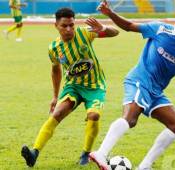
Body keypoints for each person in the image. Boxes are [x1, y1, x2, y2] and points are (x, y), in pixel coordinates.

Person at [88, 1, 175, 170]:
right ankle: (101, 153)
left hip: (156, 91)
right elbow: (129, 26)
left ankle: (145, 166)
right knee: (130, 119)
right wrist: (110, 13)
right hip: (139, 80)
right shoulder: (160, 29)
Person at [20, 7, 119, 167]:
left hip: (95, 86)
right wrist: (55, 96)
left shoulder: (85, 33)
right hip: (73, 87)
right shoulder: (54, 48)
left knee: (93, 116)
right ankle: (34, 153)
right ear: (56, 26)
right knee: (56, 114)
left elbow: (115, 33)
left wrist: (103, 29)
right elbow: (55, 71)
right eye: (64, 26)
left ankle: (86, 154)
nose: (69, 29)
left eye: (71, 25)